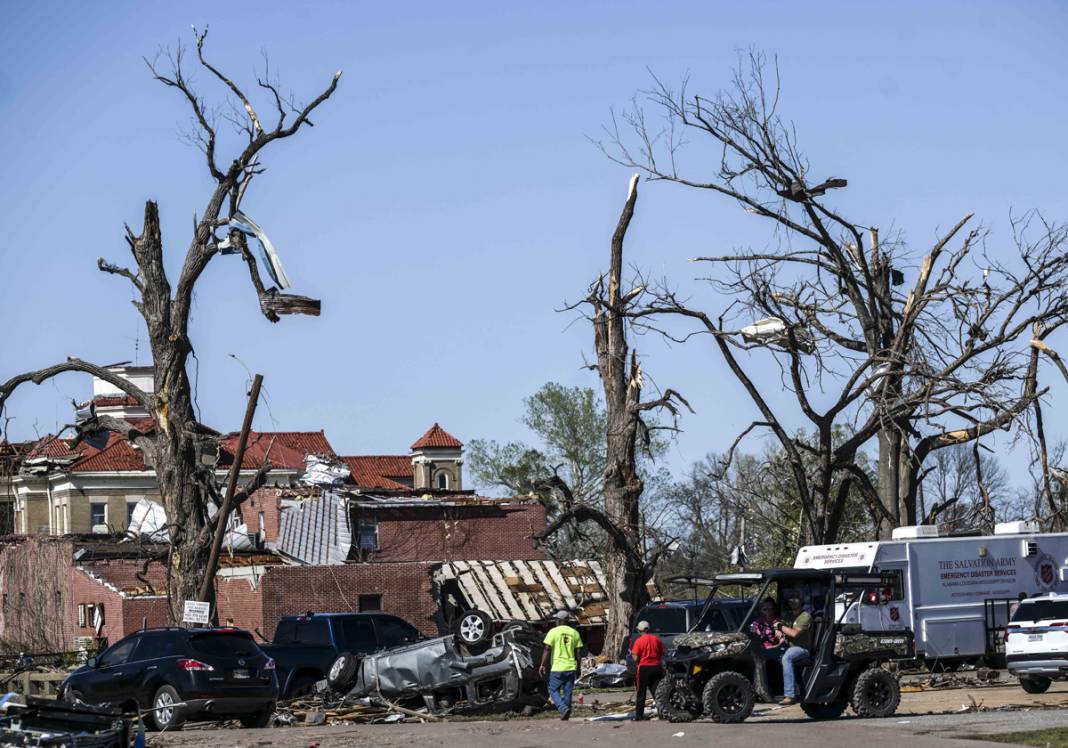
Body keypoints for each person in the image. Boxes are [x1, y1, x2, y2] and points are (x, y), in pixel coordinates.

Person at [540, 610, 584, 720]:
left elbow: (547, 648)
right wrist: (578, 667)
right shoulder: (574, 633)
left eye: (556, 619)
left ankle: (563, 708)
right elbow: (578, 653)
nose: (555, 621)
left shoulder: (553, 632)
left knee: (552, 689)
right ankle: (566, 712)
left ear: (559, 620)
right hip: (571, 667)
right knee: (567, 692)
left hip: (557, 667)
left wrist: (542, 665)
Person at [774, 591, 813, 705]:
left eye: (796, 598)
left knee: (787, 658)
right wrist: (777, 629)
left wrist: (780, 627)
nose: (793, 601)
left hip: (802, 648)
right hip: (789, 646)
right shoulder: (789, 616)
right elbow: (778, 624)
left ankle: (790, 695)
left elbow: (794, 634)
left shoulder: (805, 616)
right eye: (791, 599)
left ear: (801, 601)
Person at [630, 619, 665, 720]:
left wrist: (633, 654)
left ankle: (639, 715)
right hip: (657, 667)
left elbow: (636, 658)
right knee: (657, 692)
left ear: (639, 630)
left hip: (644, 668)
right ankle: (662, 713)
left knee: (641, 692)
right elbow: (663, 652)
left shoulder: (639, 641)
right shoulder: (657, 639)